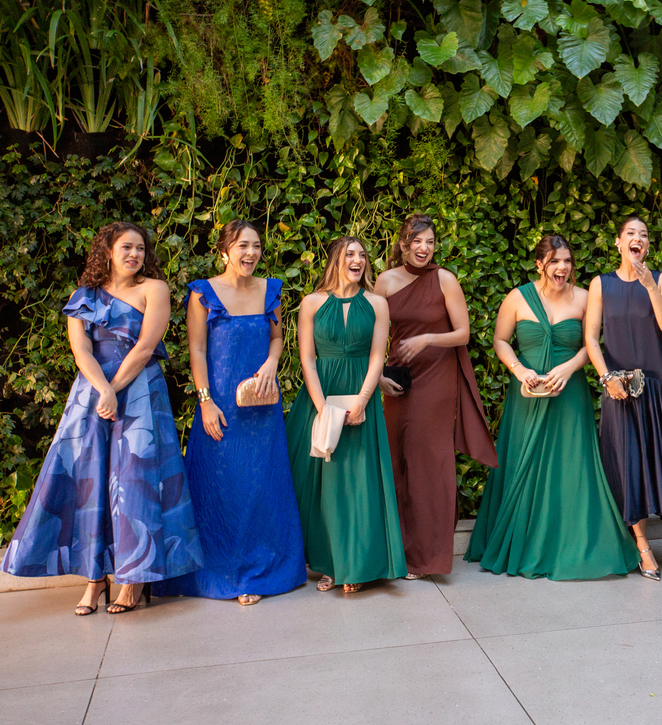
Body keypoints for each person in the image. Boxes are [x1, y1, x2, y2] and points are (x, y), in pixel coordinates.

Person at [1, 222, 202, 614]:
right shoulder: (82, 296)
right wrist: (103, 390)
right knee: (88, 482)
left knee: (136, 480)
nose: (134, 254)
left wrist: (116, 388)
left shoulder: (154, 289)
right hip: (92, 393)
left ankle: (132, 579)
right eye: (126, 247)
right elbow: (81, 351)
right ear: (108, 251)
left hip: (140, 392)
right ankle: (94, 580)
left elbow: (145, 346)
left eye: (140, 248)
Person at [466, 235, 638, 580]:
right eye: (555, 261)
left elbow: (592, 343)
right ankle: (525, 544)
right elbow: (500, 340)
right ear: (539, 265)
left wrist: (569, 368)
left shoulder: (585, 298)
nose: (563, 267)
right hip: (527, 397)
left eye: (568, 261)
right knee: (523, 467)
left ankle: (572, 546)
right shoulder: (517, 297)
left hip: (569, 396)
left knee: (572, 468)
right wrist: (520, 370)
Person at [154, 220, 306, 605]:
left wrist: (272, 363)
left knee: (262, 485)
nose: (251, 253)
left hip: (262, 404)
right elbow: (197, 350)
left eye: (256, 246)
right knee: (222, 486)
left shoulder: (270, 290)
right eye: (242, 245)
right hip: (219, 405)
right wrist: (205, 401)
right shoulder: (202, 294)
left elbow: (277, 337)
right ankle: (227, 572)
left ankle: (260, 569)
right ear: (224, 251)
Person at [584, 215, 662, 581]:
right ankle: (642, 546)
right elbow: (591, 338)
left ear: (648, 245)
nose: (638, 239)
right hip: (619, 390)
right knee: (628, 466)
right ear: (618, 243)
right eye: (631, 234)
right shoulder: (600, 284)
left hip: (658, 387)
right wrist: (606, 378)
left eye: (644, 235)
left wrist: (650, 286)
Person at [376, 215, 497, 580]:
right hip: (399, 380)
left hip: (436, 382)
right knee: (396, 461)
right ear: (403, 244)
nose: (424, 248)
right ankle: (396, 553)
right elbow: (373, 335)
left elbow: (463, 333)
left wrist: (428, 338)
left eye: (429, 242)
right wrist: (378, 376)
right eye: (417, 241)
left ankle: (427, 558)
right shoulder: (385, 281)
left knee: (429, 464)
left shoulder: (444, 279)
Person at [284, 236, 406, 592]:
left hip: (361, 396)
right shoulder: (311, 303)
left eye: (362, 255)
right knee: (324, 482)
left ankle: (356, 566)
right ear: (335, 259)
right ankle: (329, 564)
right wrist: (324, 409)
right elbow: (307, 358)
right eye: (350, 254)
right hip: (320, 395)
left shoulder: (377, 303)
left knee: (358, 482)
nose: (358, 260)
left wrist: (363, 401)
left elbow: (377, 357)